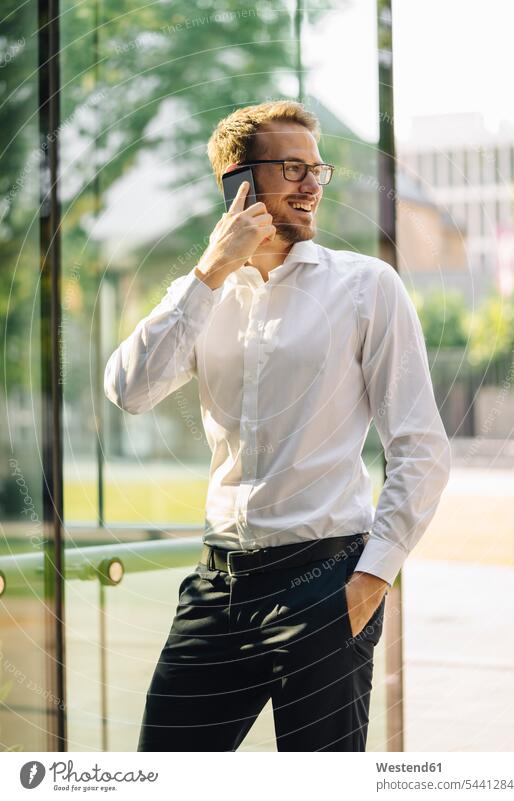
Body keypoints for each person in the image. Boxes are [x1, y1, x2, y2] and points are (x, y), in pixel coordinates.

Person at [103, 99, 451, 752]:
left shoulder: (366, 287)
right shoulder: (201, 297)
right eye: (293, 167)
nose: (313, 184)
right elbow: (129, 388)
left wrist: (369, 583)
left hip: (326, 582)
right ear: (238, 181)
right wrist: (209, 271)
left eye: (317, 169)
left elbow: (421, 449)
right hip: (217, 587)